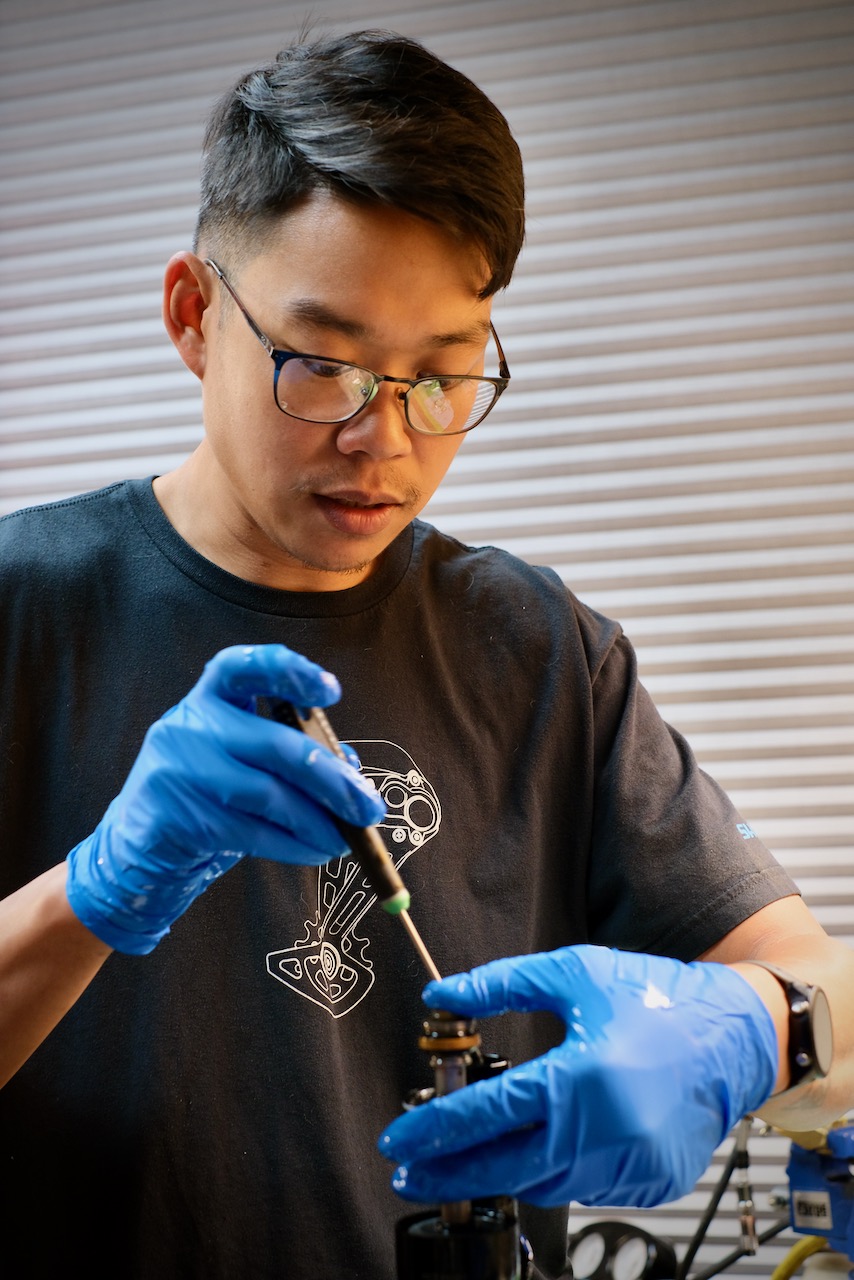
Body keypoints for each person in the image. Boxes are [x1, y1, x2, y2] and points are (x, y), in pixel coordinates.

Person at [0, 27, 851, 1280]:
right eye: (323, 365)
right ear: (194, 315)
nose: (383, 439)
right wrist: (92, 890)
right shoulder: (24, 607)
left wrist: (758, 1025)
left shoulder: (540, 649)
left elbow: (821, 984)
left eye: (442, 375)